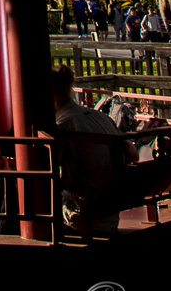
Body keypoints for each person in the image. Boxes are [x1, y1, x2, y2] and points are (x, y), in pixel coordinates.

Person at [52, 65, 131, 235]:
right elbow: (132, 153)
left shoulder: (64, 126)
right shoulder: (101, 117)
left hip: (85, 218)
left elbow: (65, 180)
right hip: (109, 214)